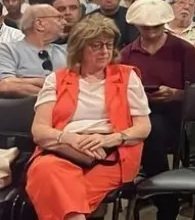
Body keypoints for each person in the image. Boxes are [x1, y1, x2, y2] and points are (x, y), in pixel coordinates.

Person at [25, 16, 151, 220]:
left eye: (108, 45)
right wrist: (71, 139)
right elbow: (39, 130)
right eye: (96, 45)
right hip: (62, 149)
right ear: (79, 48)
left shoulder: (127, 77)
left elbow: (143, 127)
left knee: (57, 195)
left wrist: (110, 139)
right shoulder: (57, 79)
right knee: (45, 170)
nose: (104, 51)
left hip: (109, 153)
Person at [122, 0, 195, 220]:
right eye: (145, 27)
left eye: (156, 27)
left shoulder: (184, 50)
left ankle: (163, 199)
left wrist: (175, 94)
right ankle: (167, 201)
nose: (151, 32)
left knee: (151, 130)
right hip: (138, 117)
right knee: (148, 129)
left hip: (176, 116)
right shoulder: (127, 55)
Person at [0, 4, 68, 97]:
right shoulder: (7, 49)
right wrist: (52, 90)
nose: (64, 22)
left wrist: (24, 81)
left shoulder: (67, 52)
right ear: (40, 23)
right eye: (59, 18)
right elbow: (6, 85)